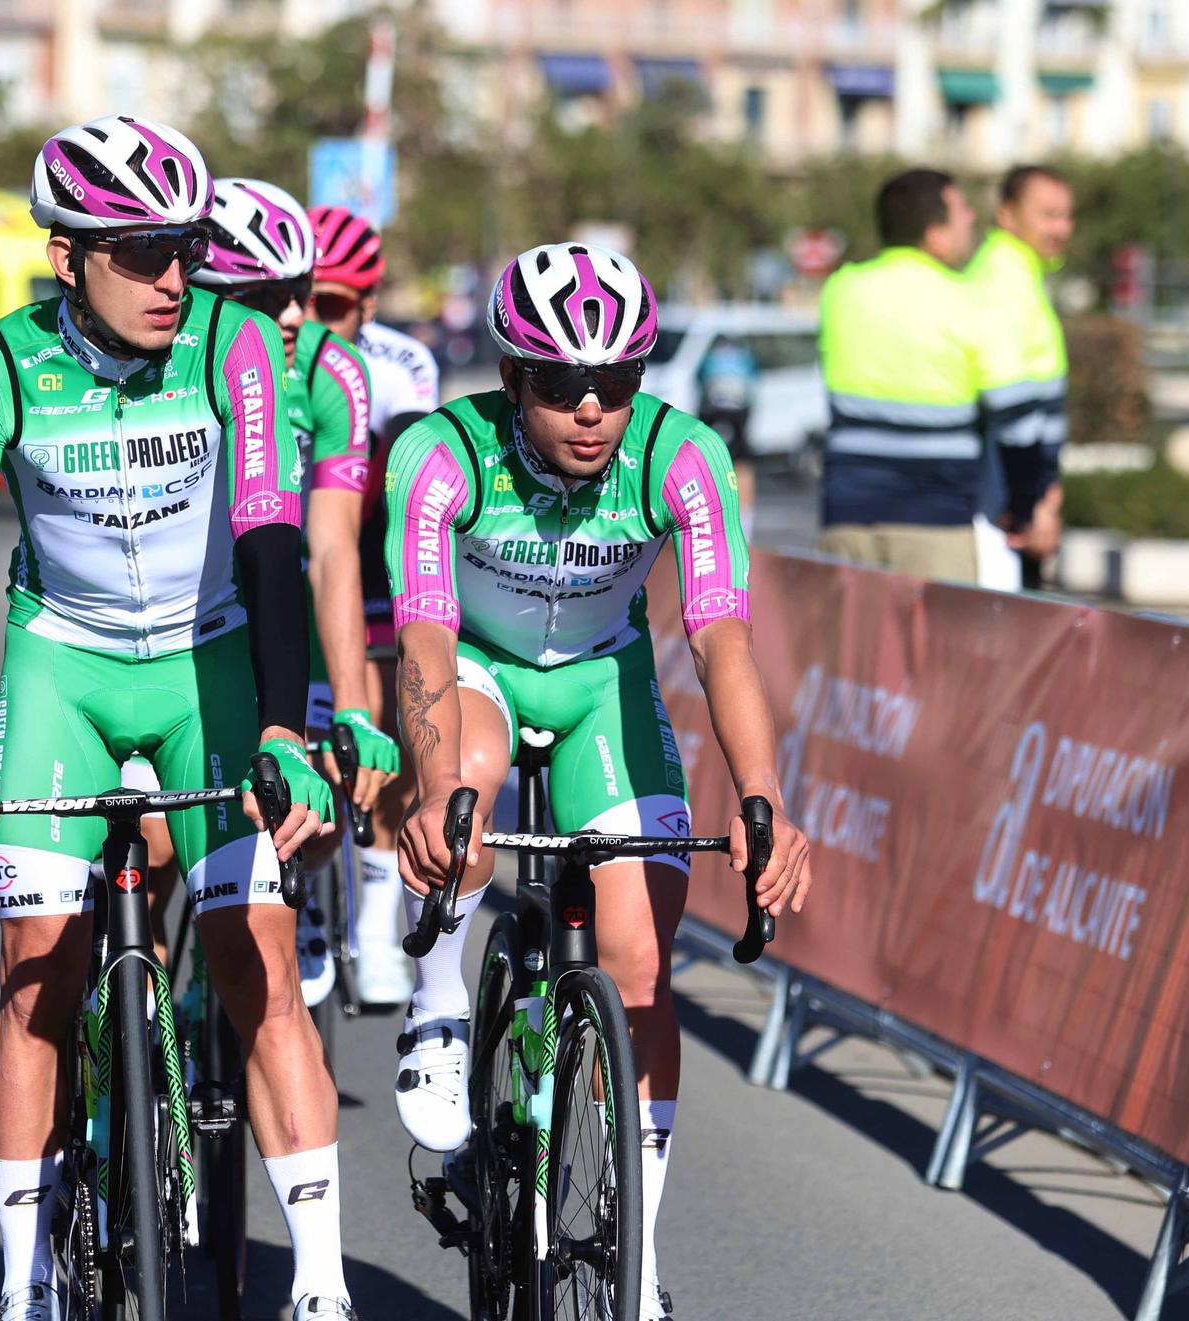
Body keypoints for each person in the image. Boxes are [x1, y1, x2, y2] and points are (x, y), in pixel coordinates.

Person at [0, 116, 357, 1321]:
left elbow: (270, 551)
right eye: (140, 252)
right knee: (34, 975)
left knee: (254, 958)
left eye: (188, 250)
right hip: (66, 669)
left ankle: (317, 1290)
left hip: (207, 662)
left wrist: (277, 729)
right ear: (66, 258)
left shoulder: (238, 344)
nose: (173, 278)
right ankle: (20, 1284)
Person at [385, 241, 814, 1320]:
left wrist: (761, 802)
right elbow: (425, 641)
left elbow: (719, 638)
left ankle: (638, 1255)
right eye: (563, 385)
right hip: (477, 669)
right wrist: (432, 783)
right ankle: (438, 1009)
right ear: (510, 376)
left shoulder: (681, 455)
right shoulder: (441, 453)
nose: (591, 410)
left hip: (596, 685)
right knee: (469, 789)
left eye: (616, 383)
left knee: (637, 960)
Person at [193, 180, 396, 1011]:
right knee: (163, 853)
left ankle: (311, 906)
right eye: (260, 296)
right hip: (183, 618)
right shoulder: (170, 360)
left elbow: (335, 549)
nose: (287, 315)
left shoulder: (330, 367)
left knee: (307, 818)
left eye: (299, 293)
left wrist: (353, 709)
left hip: (281, 605)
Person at [308, 203, 435, 1006]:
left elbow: (400, 490)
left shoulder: (400, 364)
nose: (306, 320)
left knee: (384, 722)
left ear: (368, 304)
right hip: (280, 547)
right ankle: (298, 904)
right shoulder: (268, 351)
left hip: (365, 546)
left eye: (329, 306)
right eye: (298, 296)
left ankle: (375, 922)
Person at [816, 168, 1016, 581]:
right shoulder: (968, 300)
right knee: (936, 646)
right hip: (934, 519)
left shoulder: (841, 289)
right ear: (934, 232)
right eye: (962, 211)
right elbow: (1011, 408)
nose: (972, 219)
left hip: (848, 513)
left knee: (851, 647)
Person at [967, 164, 1075, 589]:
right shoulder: (1002, 280)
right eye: (1048, 215)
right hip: (1001, 508)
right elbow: (1009, 405)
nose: (1062, 228)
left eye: (1067, 215)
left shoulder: (1021, 273)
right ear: (1007, 215)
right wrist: (1031, 509)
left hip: (1007, 501)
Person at [696, 334, 761, 530]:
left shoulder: (710, 356)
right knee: (741, 463)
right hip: (738, 415)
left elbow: (699, 382)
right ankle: (745, 522)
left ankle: (711, 518)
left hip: (714, 414)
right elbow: (754, 385)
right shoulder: (745, 356)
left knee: (708, 462)